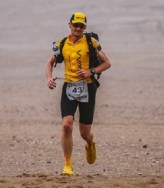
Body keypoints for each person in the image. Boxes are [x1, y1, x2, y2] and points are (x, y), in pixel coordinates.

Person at [45, 12, 111, 176]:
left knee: (84, 133)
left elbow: (107, 63)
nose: (78, 28)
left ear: (85, 27)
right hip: (69, 87)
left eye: (81, 25)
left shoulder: (90, 42)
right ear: (70, 25)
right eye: (76, 25)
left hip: (87, 89)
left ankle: (90, 142)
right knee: (67, 125)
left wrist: (91, 71)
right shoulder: (62, 44)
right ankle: (68, 165)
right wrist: (49, 79)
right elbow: (50, 63)